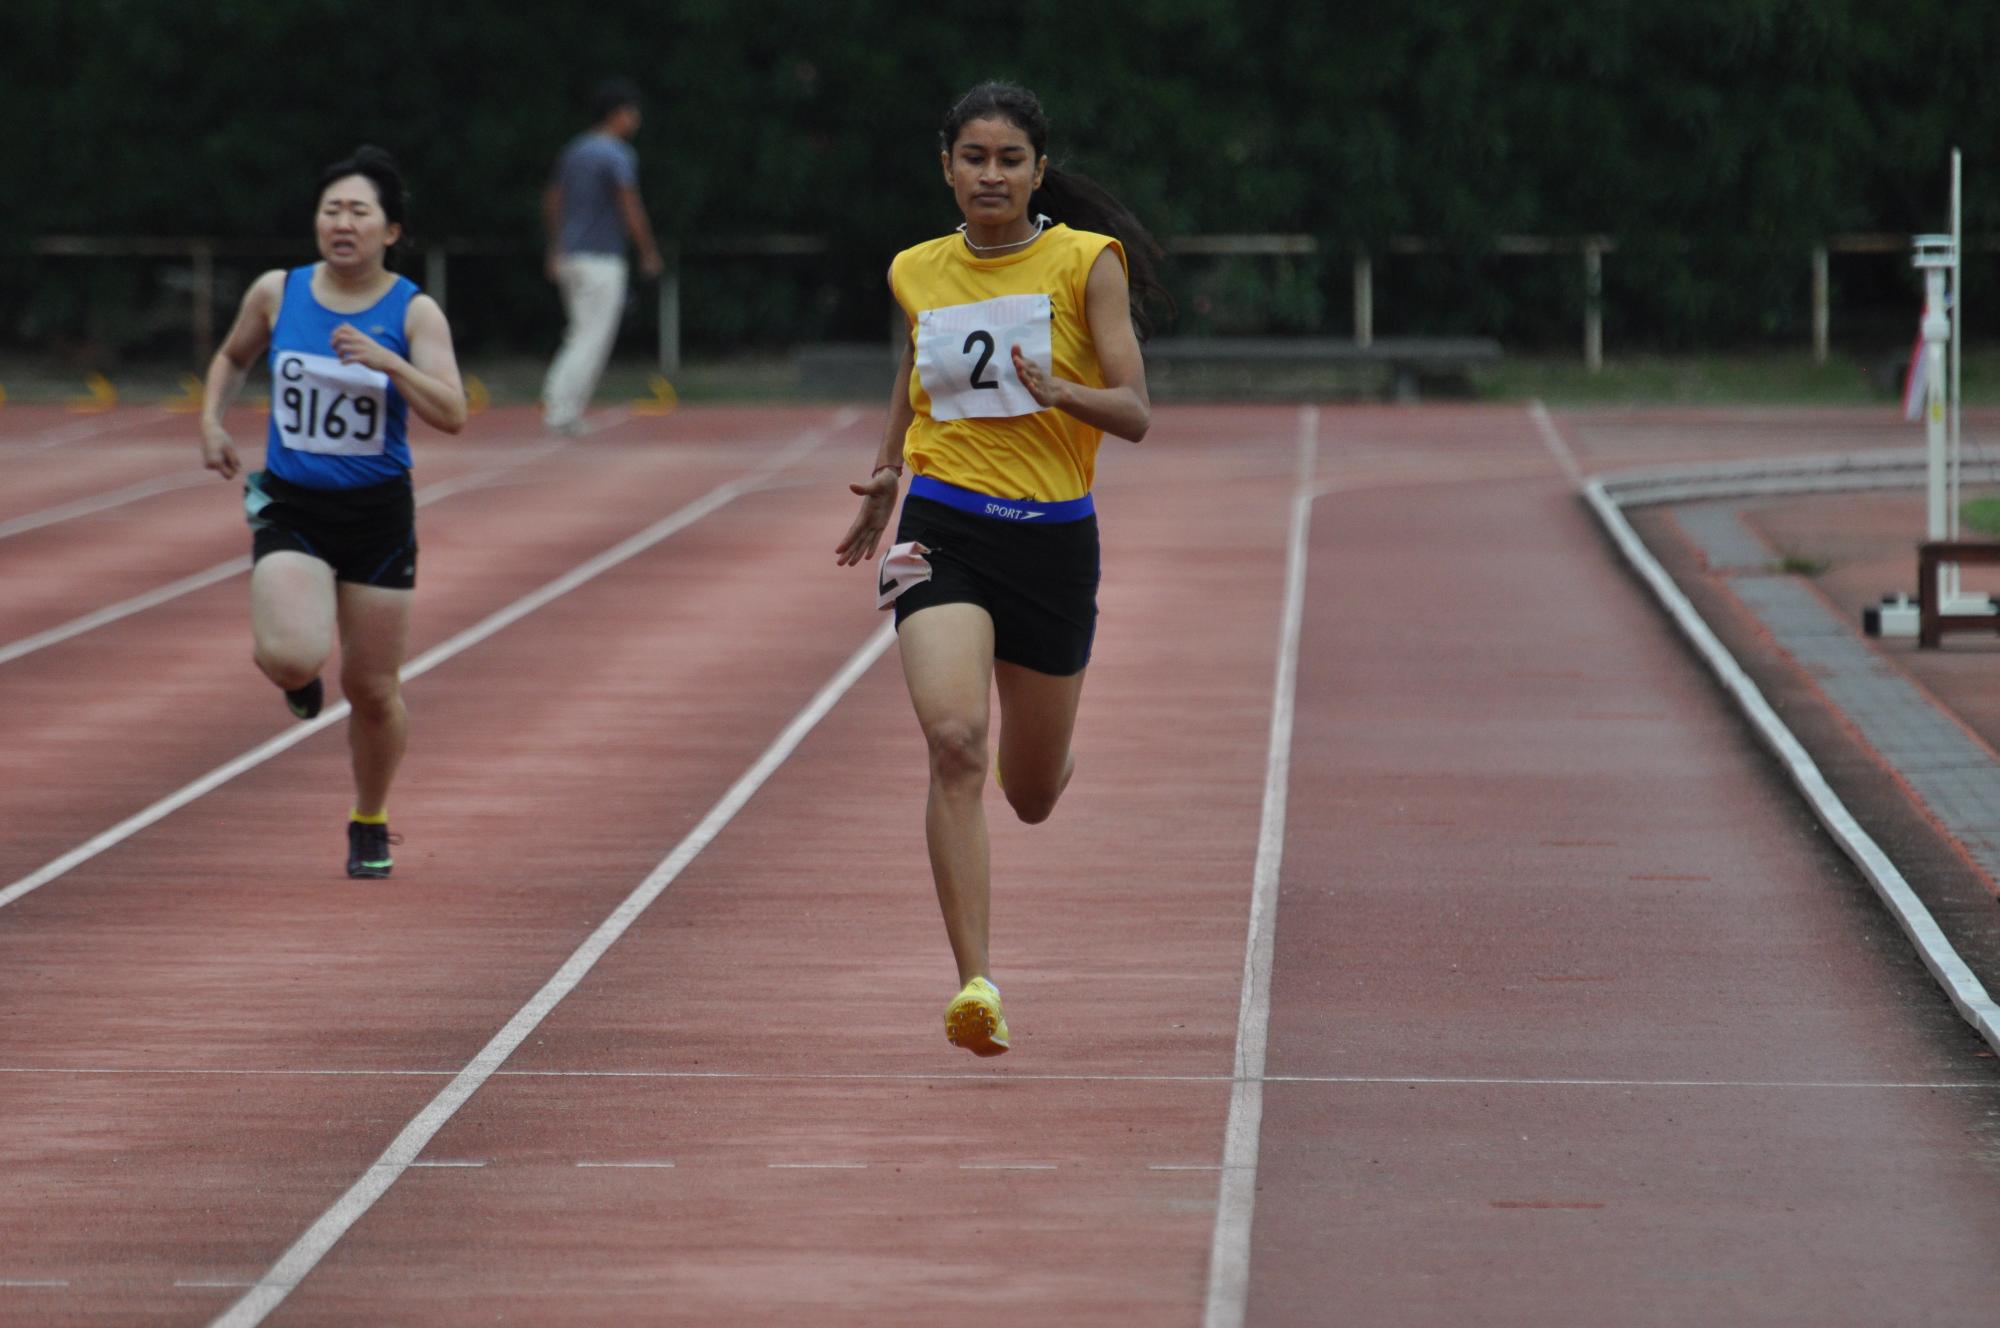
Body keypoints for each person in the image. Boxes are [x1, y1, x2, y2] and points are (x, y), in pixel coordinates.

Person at [836, 82, 1170, 1056]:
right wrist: (887, 469)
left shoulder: (1082, 263)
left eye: (1008, 159)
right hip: (941, 527)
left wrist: (1058, 388)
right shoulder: (914, 268)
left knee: (1026, 790)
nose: (990, 174)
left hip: (1052, 542)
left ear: (1036, 170)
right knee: (952, 740)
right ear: (945, 166)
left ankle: (1050, 751)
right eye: (972, 157)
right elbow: (913, 368)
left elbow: (1135, 413)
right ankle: (973, 981)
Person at [198, 145, 467, 879]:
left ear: (390, 231)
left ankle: (370, 818)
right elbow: (232, 357)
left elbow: (454, 412)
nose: (342, 223)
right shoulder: (277, 293)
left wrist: (392, 365)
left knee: (374, 691)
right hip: (294, 504)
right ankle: (295, 682)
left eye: (359, 212)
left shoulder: (412, 310)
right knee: (290, 652)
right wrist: (212, 420)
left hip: (378, 516)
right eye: (331, 210)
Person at [541, 77, 664, 434]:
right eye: (632, 112)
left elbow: (553, 199)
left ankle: (561, 403)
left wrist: (555, 246)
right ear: (617, 114)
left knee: (579, 332)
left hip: (571, 257)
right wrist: (648, 252)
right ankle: (561, 408)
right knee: (591, 336)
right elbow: (630, 205)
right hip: (601, 258)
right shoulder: (617, 155)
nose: (636, 119)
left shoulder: (574, 150)